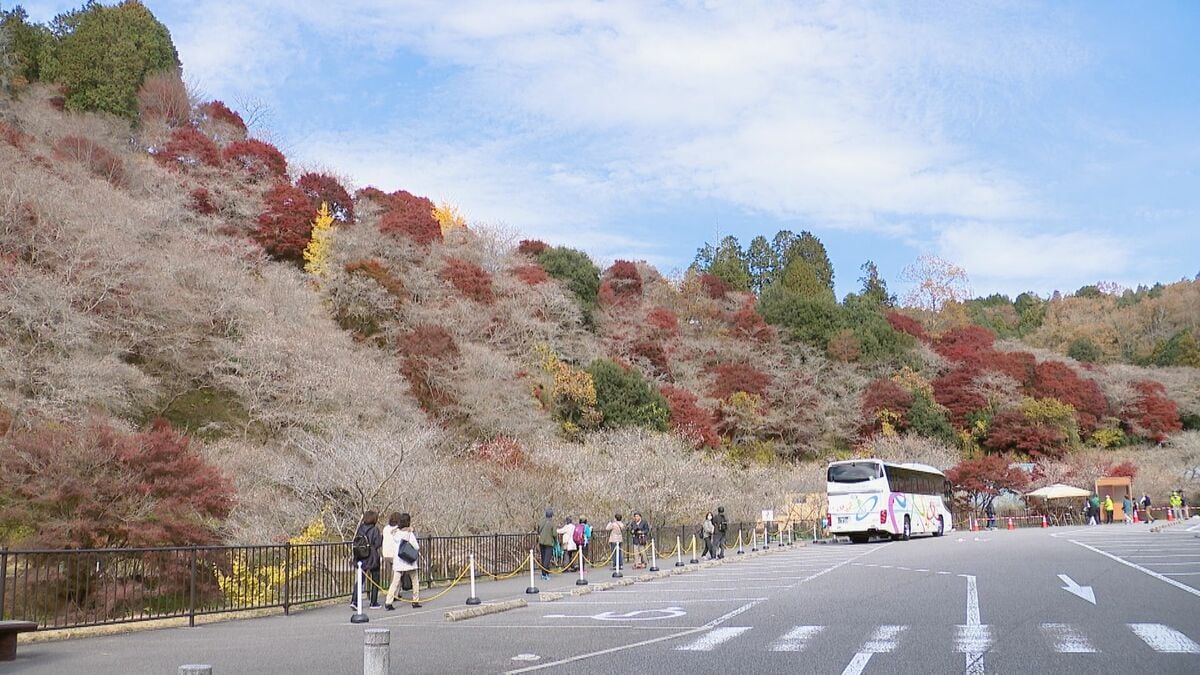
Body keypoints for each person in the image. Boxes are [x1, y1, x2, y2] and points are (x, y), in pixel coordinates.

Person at [385, 513, 421, 609]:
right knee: (415, 581)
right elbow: (417, 547)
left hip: (398, 561)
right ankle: (415, 600)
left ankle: (388, 602)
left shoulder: (396, 533)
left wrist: (398, 527)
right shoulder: (409, 534)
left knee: (395, 582)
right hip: (409, 561)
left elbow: (393, 531)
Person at [351, 510, 384, 609]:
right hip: (372, 556)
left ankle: (354, 601)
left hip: (361, 555)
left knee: (360, 579)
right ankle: (373, 602)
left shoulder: (360, 528)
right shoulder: (375, 530)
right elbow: (377, 543)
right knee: (375, 577)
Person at [381, 512, 401, 602]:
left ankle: (391, 593)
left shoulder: (385, 529)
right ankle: (395, 594)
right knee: (397, 575)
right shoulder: (398, 530)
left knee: (390, 576)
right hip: (395, 555)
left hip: (386, 554)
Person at [538, 508, 557, 581]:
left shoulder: (541, 522)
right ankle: (544, 574)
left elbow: (538, 530)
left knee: (543, 558)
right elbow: (554, 534)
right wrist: (555, 541)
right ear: (551, 515)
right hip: (549, 543)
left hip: (541, 542)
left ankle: (544, 573)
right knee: (547, 559)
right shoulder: (552, 523)